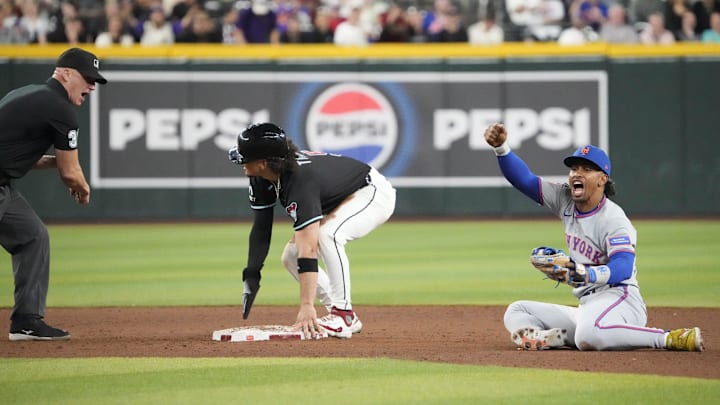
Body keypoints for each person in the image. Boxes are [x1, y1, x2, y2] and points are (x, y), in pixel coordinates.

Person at [482, 123, 704, 352]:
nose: (577, 173)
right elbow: (525, 180)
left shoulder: (614, 219)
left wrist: (584, 272)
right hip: (588, 305)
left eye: (586, 169)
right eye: (574, 168)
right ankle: (552, 339)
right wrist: (501, 148)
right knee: (518, 310)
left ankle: (668, 338)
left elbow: (623, 267)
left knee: (589, 335)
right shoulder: (564, 199)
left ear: (602, 179)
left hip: (621, 300)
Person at [228, 123, 396, 339]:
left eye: (245, 158)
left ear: (263, 162)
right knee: (290, 256)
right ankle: (343, 315)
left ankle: (342, 314)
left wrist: (306, 305)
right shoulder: (260, 177)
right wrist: (252, 273)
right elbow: (261, 228)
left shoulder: (299, 181)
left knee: (329, 235)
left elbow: (308, 249)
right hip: (338, 196)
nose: (241, 163)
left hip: (371, 192)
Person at [0, 47, 106, 341]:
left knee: (32, 236)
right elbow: (70, 173)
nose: (92, 86)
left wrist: (62, 165)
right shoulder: (60, 109)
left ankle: (26, 321)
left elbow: (13, 153)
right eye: (88, 78)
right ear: (65, 73)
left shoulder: (27, 94)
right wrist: (82, 188)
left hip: (4, 186)